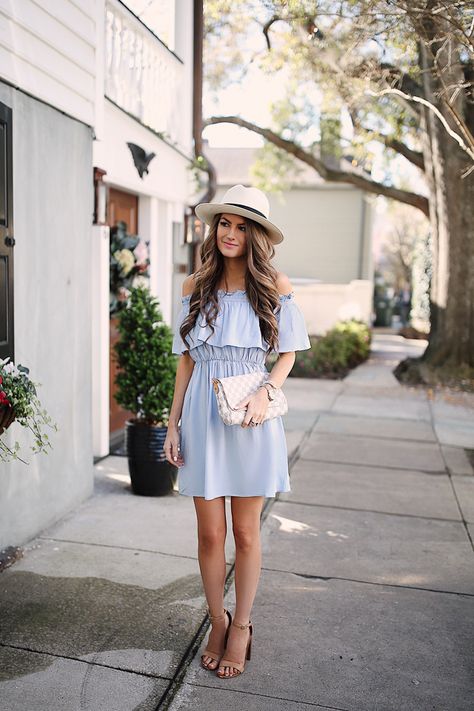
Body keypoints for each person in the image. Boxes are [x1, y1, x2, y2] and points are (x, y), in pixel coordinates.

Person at [163, 184, 311, 679]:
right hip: (203, 416)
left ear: (257, 236)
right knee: (210, 533)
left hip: (251, 416)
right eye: (224, 223)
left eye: (242, 226)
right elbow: (186, 362)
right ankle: (217, 619)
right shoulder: (193, 287)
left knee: (246, 533)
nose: (230, 233)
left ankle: (242, 626)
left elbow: (288, 350)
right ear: (214, 228)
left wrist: (266, 391)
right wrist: (173, 424)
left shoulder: (274, 285)